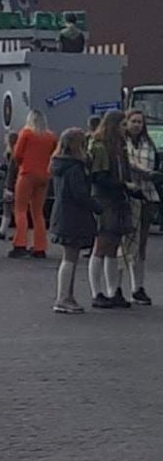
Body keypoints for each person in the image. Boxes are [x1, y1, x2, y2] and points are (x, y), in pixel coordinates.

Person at [49, 128, 98, 314]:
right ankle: (63, 297)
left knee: (70, 257)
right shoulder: (75, 168)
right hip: (73, 216)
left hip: (63, 214)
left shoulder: (59, 164)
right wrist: (97, 207)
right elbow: (80, 194)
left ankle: (66, 296)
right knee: (70, 258)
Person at [87, 110, 133, 309]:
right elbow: (99, 178)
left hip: (116, 199)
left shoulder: (118, 146)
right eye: (123, 125)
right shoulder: (101, 146)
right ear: (114, 126)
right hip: (105, 200)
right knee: (102, 245)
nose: (126, 129)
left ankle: (112, 290)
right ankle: (96, 292)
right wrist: (124, 186)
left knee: (113, 246)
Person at [123, 109, 161, 305]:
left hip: (147, 195)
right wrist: (146, 172)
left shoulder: (149, 144)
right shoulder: (122, 144)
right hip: (128, 195)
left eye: (140, 122)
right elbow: (128, 164)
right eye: (134, 121)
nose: (137, 125)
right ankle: (117, 287)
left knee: (142, 244)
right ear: (126, 123)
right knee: (125, 243)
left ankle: (138, 287)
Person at [9, 110, 58, 259]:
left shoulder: (26, 133)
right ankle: (40, 247)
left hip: (27, 174)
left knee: (21, 210)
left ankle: (20, 244)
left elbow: (17, 155)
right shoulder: (50, 136)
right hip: (44, 176)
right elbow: (54, 154)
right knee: (38, 212)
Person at [0, 132, 18, 241]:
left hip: (10, 184)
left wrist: (8, 187)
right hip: (18, 184)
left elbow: (11, 171)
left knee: (7, 208)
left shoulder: (12, 154)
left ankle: (2, 230)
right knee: (17, 210)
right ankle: (19, 233)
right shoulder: (20, 154)